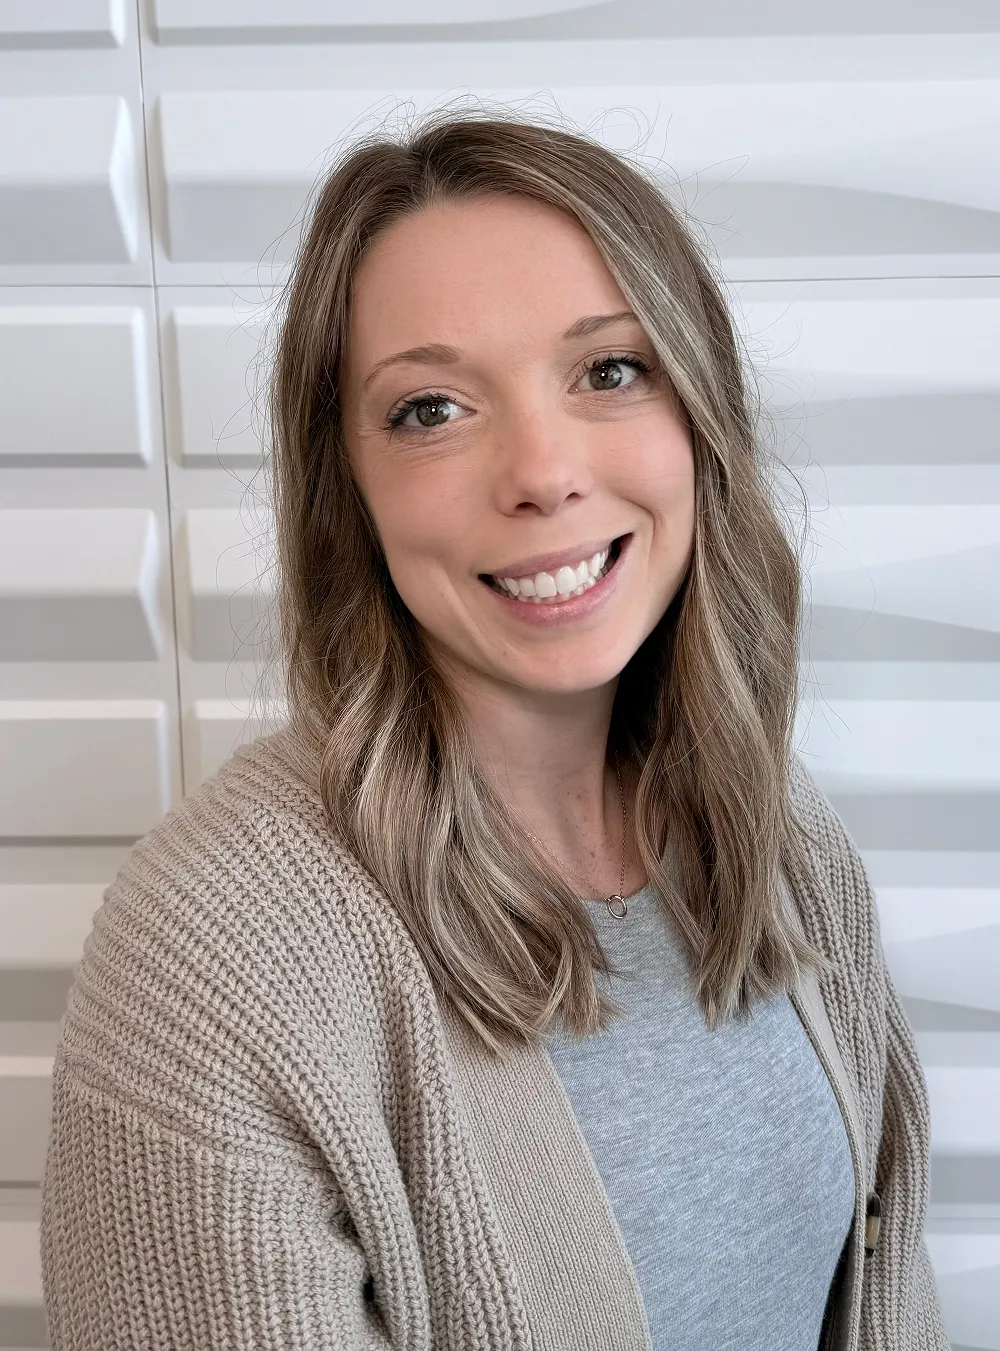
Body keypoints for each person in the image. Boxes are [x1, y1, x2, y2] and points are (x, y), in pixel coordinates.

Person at [39, 109, 949, 1350]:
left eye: (608, 370)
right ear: (344, 487)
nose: (541, 470)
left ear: (698, 417)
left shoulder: (775, 830)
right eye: (429, 409)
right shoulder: (215, 960)